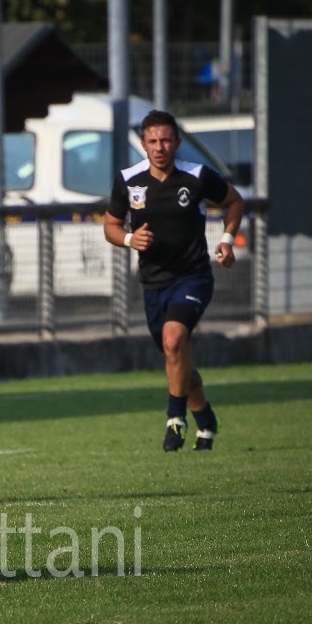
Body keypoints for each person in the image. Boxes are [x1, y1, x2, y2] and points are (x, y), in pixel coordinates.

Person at [103, 109, 244, 452]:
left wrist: (226, 241)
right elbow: (110, 226)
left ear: (177, 143)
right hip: (153, 283)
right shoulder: (129, 180)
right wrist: (129, 239)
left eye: (166, 140)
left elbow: (234, 201)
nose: (159, 147)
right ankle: (205, 420)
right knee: (176, 356)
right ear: (143, 144)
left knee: (173, 340)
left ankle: (175, 419)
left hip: (193, 276)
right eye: (153, 141)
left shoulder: (196, 176)